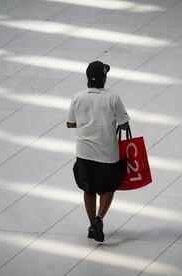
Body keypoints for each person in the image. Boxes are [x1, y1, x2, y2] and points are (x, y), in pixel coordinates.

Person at [67, 61, 130, 242]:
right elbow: (123, 125)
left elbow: (70, 123)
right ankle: (99, 218)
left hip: (84, 152)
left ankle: (92, 226)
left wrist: (88, 122)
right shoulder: (113, 98)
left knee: (88, 189)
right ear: (104, 78)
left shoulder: (78, 97)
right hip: (107, 154)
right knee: (108, 187)